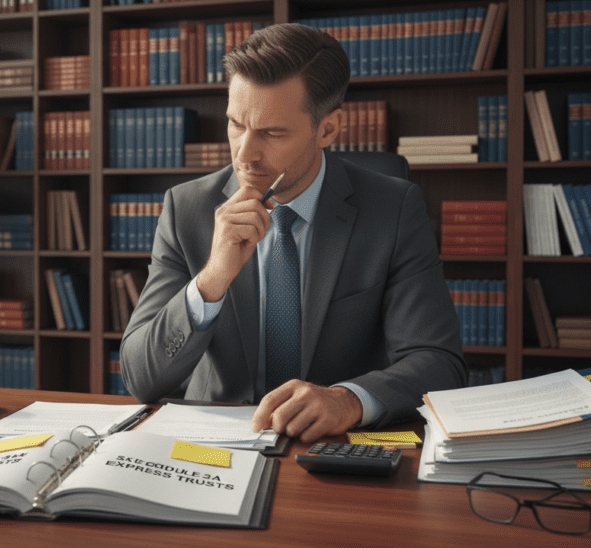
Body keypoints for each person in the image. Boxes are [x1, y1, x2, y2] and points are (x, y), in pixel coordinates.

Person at [119, 23, 465, 443]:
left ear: (328, 129)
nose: (245, 153)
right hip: (212, 452)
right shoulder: (187, 209)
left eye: (272, 132)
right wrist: (212, 280)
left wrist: (349, 400)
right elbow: (140, 378)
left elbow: (438, 362)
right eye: (235, 124)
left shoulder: (393, 210)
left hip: (328, 451)